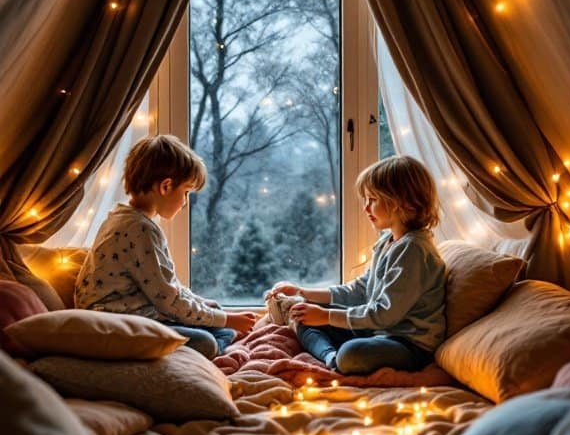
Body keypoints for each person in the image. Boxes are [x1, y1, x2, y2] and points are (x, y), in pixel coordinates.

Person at [75, 135, 258, 358]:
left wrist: (208, 308)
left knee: (218, 318)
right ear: (166, 186)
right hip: (122, 326)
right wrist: (227, 319)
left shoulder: (122, 218)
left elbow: (168, 288)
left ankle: (220, 335)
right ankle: (217, 349)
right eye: (186, 192)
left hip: (135, 316)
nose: (185, 203)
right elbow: (169, 302)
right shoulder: (140, 229)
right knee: (209, 341)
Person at [268, 155, 446, 375]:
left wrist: (326, 317)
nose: (365, 208)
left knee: (352, 353)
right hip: (376, 331)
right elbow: (360, 290)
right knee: (302, 315)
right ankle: (331, 357)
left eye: (372, 199)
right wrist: (303, 293)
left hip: (408, 345)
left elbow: (384, 314)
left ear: (401, 202)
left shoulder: (414, 251)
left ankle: (336, 357)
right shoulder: (387, 242)